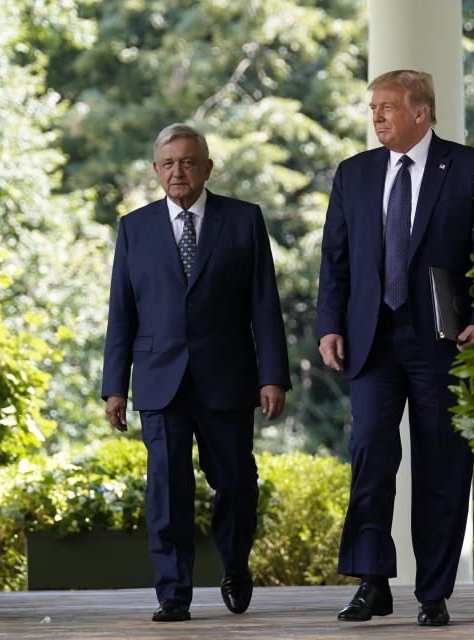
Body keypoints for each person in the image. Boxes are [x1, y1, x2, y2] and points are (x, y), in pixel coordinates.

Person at [316, 70, 474, 627]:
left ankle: (433, 592)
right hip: (372, 340)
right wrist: (329, 326)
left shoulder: (470, 167)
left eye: (388, 107)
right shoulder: (354, 174)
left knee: (442, 462)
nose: (377, 116)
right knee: (369, 452)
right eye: (373, 108)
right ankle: (372, 582)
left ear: (422, 112)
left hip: (442, 341)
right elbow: (334, 261)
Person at [101, 123, 291, 623]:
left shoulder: (244, 220)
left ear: (207, 167)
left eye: (187, 162)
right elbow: (121, 313)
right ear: (156, 171)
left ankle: (234, 566)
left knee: (234, 483)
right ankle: (173, 593)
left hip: (227, 378)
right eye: (167, 164)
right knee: (166, 489)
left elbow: (264, 304)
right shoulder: (134, 228)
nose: (177, 172)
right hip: (160, 380)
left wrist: (273, 375)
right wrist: (114, 386)